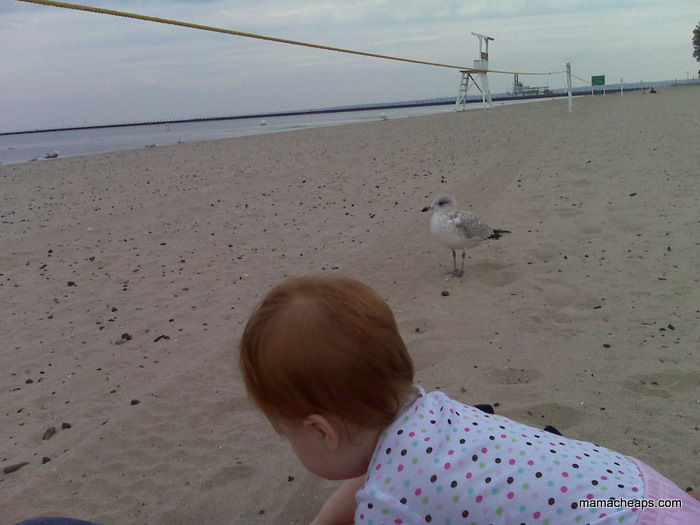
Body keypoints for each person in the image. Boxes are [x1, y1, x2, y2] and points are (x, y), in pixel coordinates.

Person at [238, 275, 700, 525]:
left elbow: (380, 490)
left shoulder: (389, 505)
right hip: (647, 496)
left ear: (322, 432)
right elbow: (372, 474)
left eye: (288, 435)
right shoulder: (430, 411)